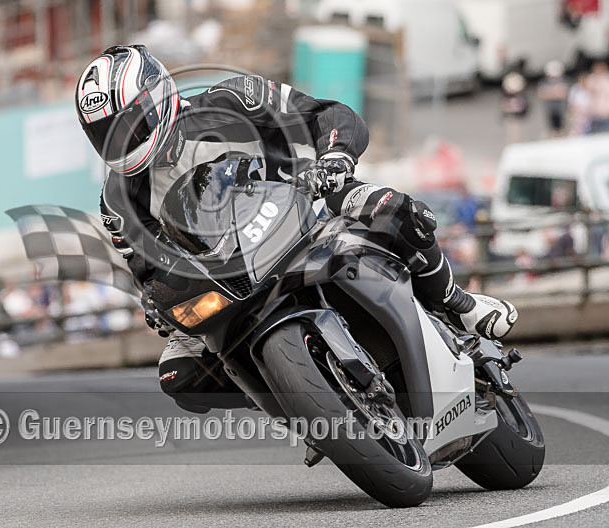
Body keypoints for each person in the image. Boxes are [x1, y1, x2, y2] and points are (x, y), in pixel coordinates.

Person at [75, 45, 519, 412]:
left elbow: (328, 114)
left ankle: (456, 302)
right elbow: (150, 270)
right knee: (180, 374)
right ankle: (298, 401)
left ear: (157, 97)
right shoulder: (118, 200)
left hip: (309, 206)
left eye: (128, 125)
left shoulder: (233, 99)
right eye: (106, 134)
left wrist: (335, 158)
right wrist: (158, 303)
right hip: (230, 273)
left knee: (391, 209)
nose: (121, 141)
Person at [537, 61, 569, 137]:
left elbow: (563, 94)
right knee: (552, 130)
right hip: (550, 109)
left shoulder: (564, 81)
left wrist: (550, 92)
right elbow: (541, 94)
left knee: (562, 129)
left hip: (561, 109)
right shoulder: (544, 82)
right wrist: (555, 92)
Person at [500, 72, 529, 144]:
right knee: (511, 129)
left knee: (517, 129)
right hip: (510, 115)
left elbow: (524, 104)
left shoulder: (520, 96)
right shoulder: (507, 96)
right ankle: (512, 142)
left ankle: (517, 142)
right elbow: (504, 105)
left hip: (519, 114)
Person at [586, 61, 609, 133]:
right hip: (594, 112)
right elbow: (589, 89)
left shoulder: (606, 79)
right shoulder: (592, 79)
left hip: (605, 112)